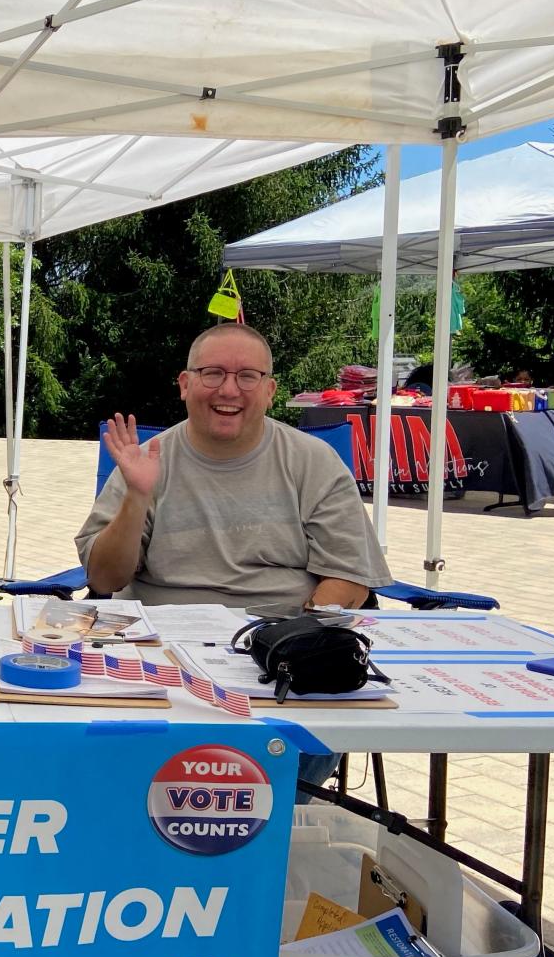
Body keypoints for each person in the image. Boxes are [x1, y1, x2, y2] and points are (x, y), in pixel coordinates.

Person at [75, 322, 392, 798]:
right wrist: (137, 496)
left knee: (268, 773)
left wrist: (290, 645)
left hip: (278, 661)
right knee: (119, 766)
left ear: (270, 390)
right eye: (212, 373)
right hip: (160, 658)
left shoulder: (314, 461)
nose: (229, 390)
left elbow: (349, 578)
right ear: (184, 385)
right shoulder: (146, 461)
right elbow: (104, 578)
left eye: (247, 377)